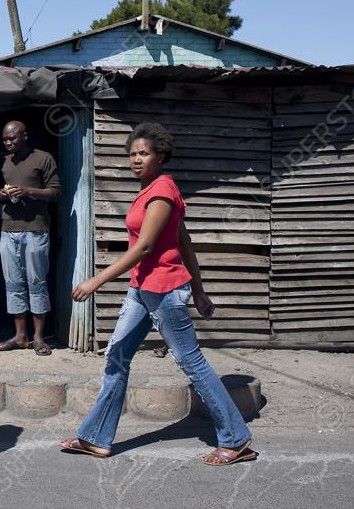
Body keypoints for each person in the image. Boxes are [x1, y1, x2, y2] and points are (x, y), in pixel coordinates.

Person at [60, 122, 257, 466]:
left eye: (144, 153)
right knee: (117, 357)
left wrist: (96, 281)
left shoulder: (163, 191)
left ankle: (236, 439)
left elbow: (146, 246)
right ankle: (96, 438)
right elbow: (184, 242)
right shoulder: (149, 189)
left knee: (191, 363)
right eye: (133, 153)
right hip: (141, 289)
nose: (136, 159)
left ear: (161, 155)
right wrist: (200, 290)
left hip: (165, 291)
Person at [0, 120, 61, 356]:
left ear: (25, 136)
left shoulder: (43, 158)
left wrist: (28, 191)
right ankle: (20, 336)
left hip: (35, 229)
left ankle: (39, 337)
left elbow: (55, 192)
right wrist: (2, 194)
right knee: (13, 283)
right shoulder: (5, 162)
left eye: (12, 138)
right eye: (5, 139)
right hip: (8, 229)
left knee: (36, 282)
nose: (8, 142)